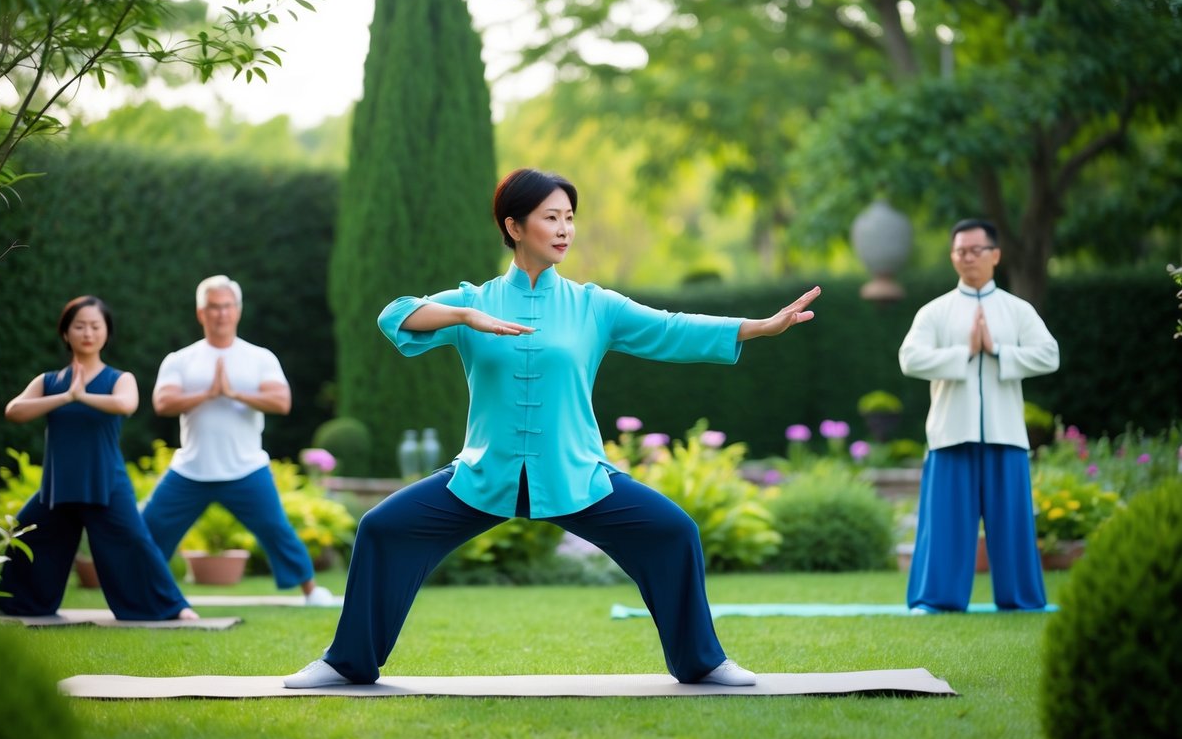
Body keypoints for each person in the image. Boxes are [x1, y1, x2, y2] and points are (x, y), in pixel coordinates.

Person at [284, 168, 820, 688]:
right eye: (551, 217)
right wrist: (463, 318)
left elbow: (670, 328)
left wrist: (760, 327)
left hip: (577, 475)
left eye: (569, 217)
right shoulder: (475, 300)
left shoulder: (593, 306)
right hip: (482, 475)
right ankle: (347, 663)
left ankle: (702, 663)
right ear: (514, 227)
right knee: (382, 529)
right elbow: (394, 316)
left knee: (673, 532)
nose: (565, 229)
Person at [0, 296, 198, 621]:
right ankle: (13, 604)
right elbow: (13, 411)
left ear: (105, 333)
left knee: (134, 542)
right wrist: (65, 397)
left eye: (95, 326)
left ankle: (173, 607)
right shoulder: (49, 382)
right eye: (79, 326)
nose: (87, 332)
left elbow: (126, 404)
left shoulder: (120, 379)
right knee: (26, 534)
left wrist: (82, 396)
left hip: (105, 482)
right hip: (58, 486)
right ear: (66, 333)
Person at [141, 275, 334, 606]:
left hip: (246, 469)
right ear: (201, 313)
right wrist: (208, 393)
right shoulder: (180, 359)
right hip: (192, 469)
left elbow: (281, 402)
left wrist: (233, 393)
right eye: (213, 307)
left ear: (238, 311)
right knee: (148, 530)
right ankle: (137, 592)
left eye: (227, 306)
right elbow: (163, 403)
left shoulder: (259, 358)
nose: (221, 314)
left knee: (277, 531)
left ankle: (311, 592)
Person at [898, 219, 1059, 612]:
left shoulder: (1017, 310)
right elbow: (910, 359)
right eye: (960, 251)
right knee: (946, 525)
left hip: (1006, 434)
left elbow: (1049, 355)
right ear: (953, 257)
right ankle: (935, 600)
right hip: (951, 433)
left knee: (1013, 525)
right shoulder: (935, 311)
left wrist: (999, 350)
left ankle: (1021, 599)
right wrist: (965, 353)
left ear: (995, 255)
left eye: (975, 250)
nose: (967, 257)